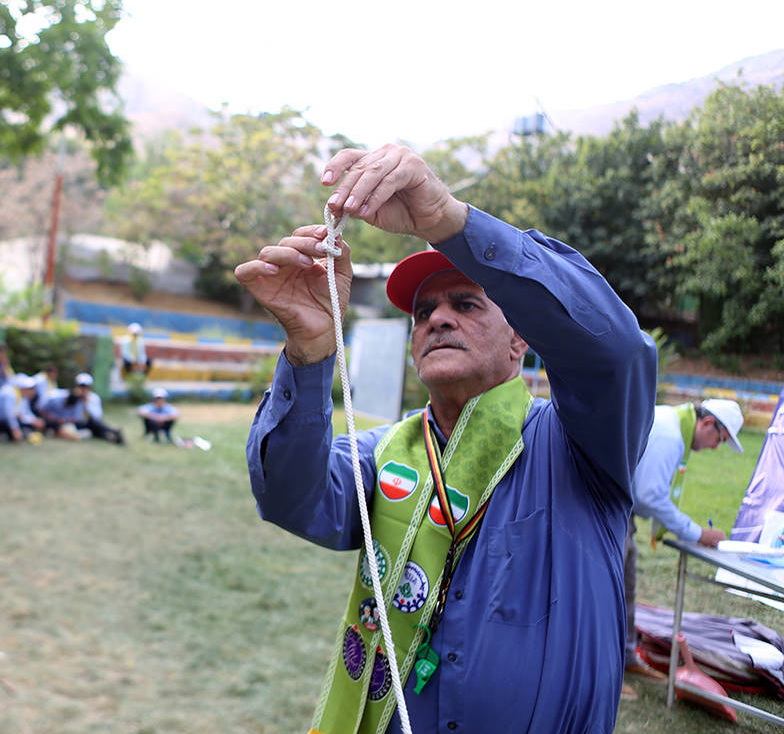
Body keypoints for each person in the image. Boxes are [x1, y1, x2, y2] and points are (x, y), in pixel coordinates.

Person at [234, 143, 657, 734]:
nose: (437, 318)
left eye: (465, 303)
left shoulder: (583, 445)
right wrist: (309, 354)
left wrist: (450, 223)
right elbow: (288, 494)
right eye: (423, 312)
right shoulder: (384, 452)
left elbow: (616, 352)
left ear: (521, 341)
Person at [622, 398, 744, 690]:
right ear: (706, 423)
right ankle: (608, 668)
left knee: (625, 585)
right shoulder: (671, 434)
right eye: (720, 438)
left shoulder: (674, 425)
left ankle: (626, 658)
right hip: (610, 509)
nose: (716, 447)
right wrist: (696, 533)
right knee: (612, 589)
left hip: (621, 512)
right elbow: (650, 496)